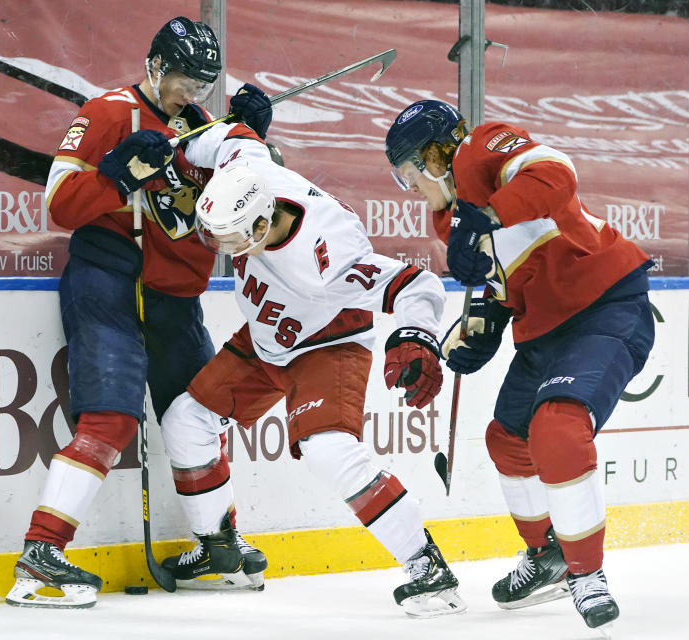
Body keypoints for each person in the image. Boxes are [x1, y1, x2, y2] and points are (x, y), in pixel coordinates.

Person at [6, 16, 274, 608]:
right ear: (154, 66)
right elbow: (59, 204)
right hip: (109, 279)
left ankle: (218, 547)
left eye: (203, 84)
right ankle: (41, 558)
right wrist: (118, 171)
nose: (192, 94)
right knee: (110, 418)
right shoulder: (106, 112)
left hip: (176, 295)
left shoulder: (209, 129)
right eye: (182, 80)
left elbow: (247, 211)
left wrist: (252, 144)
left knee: (195, 419)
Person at [149, 121, 466, 617]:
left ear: (259, 226)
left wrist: (416, 335)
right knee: (186, 420)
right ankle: (220, 553)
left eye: (230, 242)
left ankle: (428, 568)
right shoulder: (245, 170)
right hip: (267, 334)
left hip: (327, 344)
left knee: (328, 450)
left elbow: (416, 285)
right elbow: (233, 134)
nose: (225, 255)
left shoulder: (328, 254)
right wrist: (177, 151)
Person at [384, 100, 655, 632]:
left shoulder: (483, 146)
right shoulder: (448, 221)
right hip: (547, 329)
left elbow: (556, 175)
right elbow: (504, 281)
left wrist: (482, 218)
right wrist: (481, 329)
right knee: (507, 439)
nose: (409, 187)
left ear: (434, 155)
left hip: (603, 304)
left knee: (557, 428)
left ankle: (587, 573)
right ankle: (547, 557)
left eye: (408, 173)